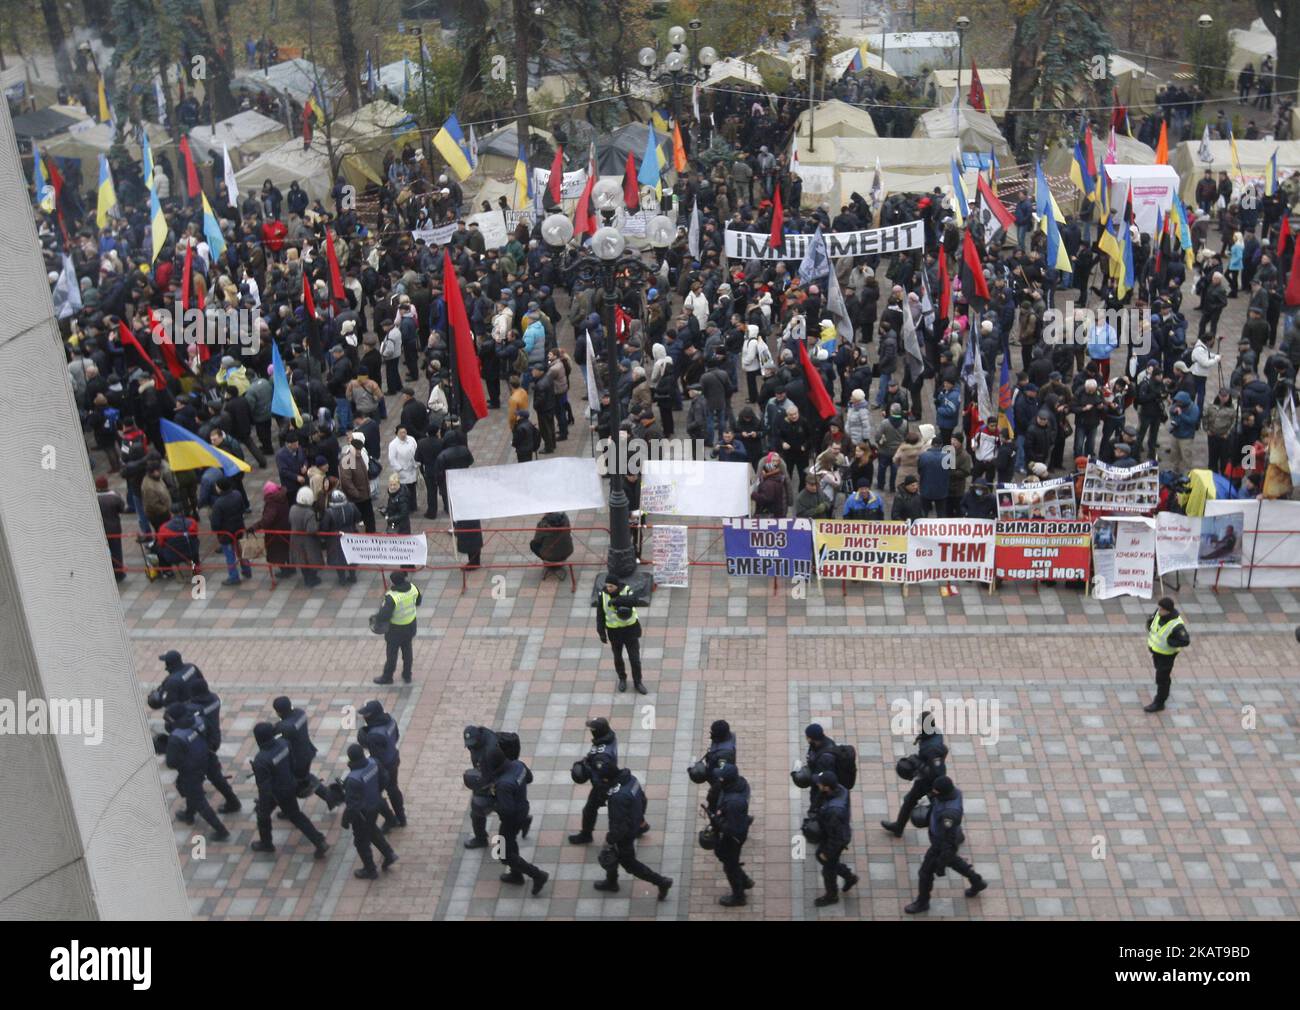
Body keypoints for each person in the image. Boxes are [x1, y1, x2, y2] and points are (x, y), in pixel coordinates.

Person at [904, 775, 988, 913]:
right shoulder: (954, 792)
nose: (933, 793)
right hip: (945, 837)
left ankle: (922, 902)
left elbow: (947, 843)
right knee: (954, 861)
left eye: (936, 791)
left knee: (925, 873)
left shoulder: (949, 815)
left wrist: (940, 864)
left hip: (941, 844)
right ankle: (977, 882)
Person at [592, 758, 672, 899]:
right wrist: (640, 819)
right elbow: (643, 798)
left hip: (625, 833)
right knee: (613, 853)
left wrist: (610, 840)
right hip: (633, 822)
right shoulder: (631, 779)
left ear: (606, 779)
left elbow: (619, 826)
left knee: (629, 863)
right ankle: (611, 881)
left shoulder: (617, 797)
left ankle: (661, 882)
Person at [249, 722, 330, 859]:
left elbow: (264, 788)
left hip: (277, 792)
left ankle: (267, 843)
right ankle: (318, 840)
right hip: (290, 784)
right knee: (292, 813)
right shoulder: (284, 744)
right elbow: (293, 763)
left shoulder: (261, 760)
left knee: (267, 815)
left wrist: (263, 805)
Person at [487, 743, 549, 895]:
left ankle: (537, 875)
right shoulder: (518, 764)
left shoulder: (503, 784)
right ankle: (516, 874)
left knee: (503, 853)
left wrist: (493, 800)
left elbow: (506, 811)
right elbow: (529, 778)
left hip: (512, 819)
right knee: (509, 842)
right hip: (522, 809)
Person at [163, 702, 230, 841]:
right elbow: (211, 734)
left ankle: (221, 830)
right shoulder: (199, 720)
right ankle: (189, 814)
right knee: (196, 789)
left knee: (198, 799)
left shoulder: (176, 737)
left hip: (191, 770)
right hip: (206, 759)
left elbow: (171, 762)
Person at [881, 713, 949, 836]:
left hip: (931, 783)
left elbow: (936, 772)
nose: (917, 725)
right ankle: (898, 827)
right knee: (910, 800)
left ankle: (956, 834)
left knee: (941, 810)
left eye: (920, 723)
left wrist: (917, 763)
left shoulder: (932, 747)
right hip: (924, 780)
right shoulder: (933, 734)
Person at [341, 743, 398, 879]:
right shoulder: (373, 763)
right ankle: (389, 854)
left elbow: (352, 806)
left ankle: (370, 870)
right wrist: (375, 793)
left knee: (361, 842)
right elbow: (384, 778)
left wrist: (345, 820)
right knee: (372, 831)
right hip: (375, 804)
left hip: (363, 813)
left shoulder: (352, 779)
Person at [272, 696, 339, 810]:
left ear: (278, 712)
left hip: (296, 760)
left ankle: (291, 810)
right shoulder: (300, 713)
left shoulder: (284, 726)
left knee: (291, 783)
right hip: (307, 752)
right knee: (304, 777)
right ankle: (330, 797)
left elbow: (274, 736)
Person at [706, 762, 754, 907]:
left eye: (720, 778)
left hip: (733, 838)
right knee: (725, 857)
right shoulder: (740, 784)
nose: (718, 780)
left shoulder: (734, 802)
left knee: (729, 865)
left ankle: (739, 896)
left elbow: (733, 828)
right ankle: (744, 880)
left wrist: (716, 820)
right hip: (735, 828)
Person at [811, 770, 858, 907]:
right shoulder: (841, 789)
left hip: (835, 839)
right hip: (835, 832)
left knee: (828, 868)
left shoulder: (834, 811)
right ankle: (849, 877)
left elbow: (835, 837)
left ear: (826, 787)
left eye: (819, 784)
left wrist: (828, 853)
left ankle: (831, 896)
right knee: (825, 860)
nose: (817, 785)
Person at [569, 717, 618, 844]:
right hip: (610, 778)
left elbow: (600, 774)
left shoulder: (601, 757)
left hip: (603, 785)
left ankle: (586, 835)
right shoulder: (609, 737)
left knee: (590, 810)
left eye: (592, 729)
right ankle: (641, 825)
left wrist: (588, 770)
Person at [358, 700, 406, 829]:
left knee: (374, 795)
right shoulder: (390, 720)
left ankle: (390, 819)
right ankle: (401, 817)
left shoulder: (374, 735)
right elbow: (396, 737)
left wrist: (366, 741)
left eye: (367, 715)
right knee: (393, 789)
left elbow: (375, 758)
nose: (364, 717)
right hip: (394, 758)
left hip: (384, 766)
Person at [596, 576, 646, 693]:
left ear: (617, 586)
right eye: (607, 586)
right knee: (618, 659)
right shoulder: (602, 595)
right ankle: (622, 679)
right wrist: (601, 632)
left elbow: (634, 601)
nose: (608, 588)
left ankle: (638, 682)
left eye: (611, 586)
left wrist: (616, 600)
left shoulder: (626, 590)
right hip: (614, 633)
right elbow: (600, 615)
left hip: (630, 631)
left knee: (635, 660)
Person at [375, 570, 422, 684]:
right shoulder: (413, 588)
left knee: (392, 654)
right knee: (407, 652)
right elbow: (418, 601)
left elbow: (384, 615)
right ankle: (407, 675)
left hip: (395, 630)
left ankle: (387, 677)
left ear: (394, 582)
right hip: (410, 626)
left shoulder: (392, 597)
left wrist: (377, 620)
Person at [1145, 595, 1190, 712]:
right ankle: (1165, 687)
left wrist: (1170, 642)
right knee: (1160, 673)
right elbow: (1152, 622)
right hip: (1156, 651)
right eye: (1159, 608)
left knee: (1162, 679)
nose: (1159, 611)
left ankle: (1159, 702)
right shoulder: (1159, 613)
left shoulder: (1176, 625)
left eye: (1161, 609)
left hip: (1167, 655)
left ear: (1167, 610)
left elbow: (1185, 641)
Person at [462, 725, 503, 849]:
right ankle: (480, 839)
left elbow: (495, 771)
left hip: (497, 783)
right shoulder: (477, 741)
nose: (470, 746)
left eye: (472, 743)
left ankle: (522, 820)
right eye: (468, 744)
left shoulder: (491, 750)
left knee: (505, 812)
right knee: (476, 813)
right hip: (484, 781)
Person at [95, 475, 127, 581]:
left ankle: (107, 573)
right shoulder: (114, 497)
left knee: (103, 552)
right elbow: (122, 508)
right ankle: (119, 574)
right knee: (116, 552)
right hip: (114, 529)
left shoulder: (94, 498)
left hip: (101, 530)